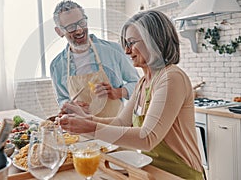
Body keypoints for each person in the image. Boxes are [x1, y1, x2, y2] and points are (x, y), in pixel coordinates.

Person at [59, 10, 205, 179]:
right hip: (150, 171)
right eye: (125, 44)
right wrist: (85, 119)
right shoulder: (143, 83)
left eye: (132, 43)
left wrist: (88, 128)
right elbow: (122, 122)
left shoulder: (171, 77)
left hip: (179, 174)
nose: (127, 51)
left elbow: (147, 138)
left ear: (154, 41)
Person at [50, 0, 139, 117]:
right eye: (71, 27)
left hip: (115, 128)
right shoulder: (57, 66)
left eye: (82, 22)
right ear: (59, 31)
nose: (79, 30)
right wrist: (69, 105)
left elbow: (138, 84)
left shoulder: (114, 50)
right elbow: (62, 99)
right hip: (81, 130)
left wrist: (117, 92)